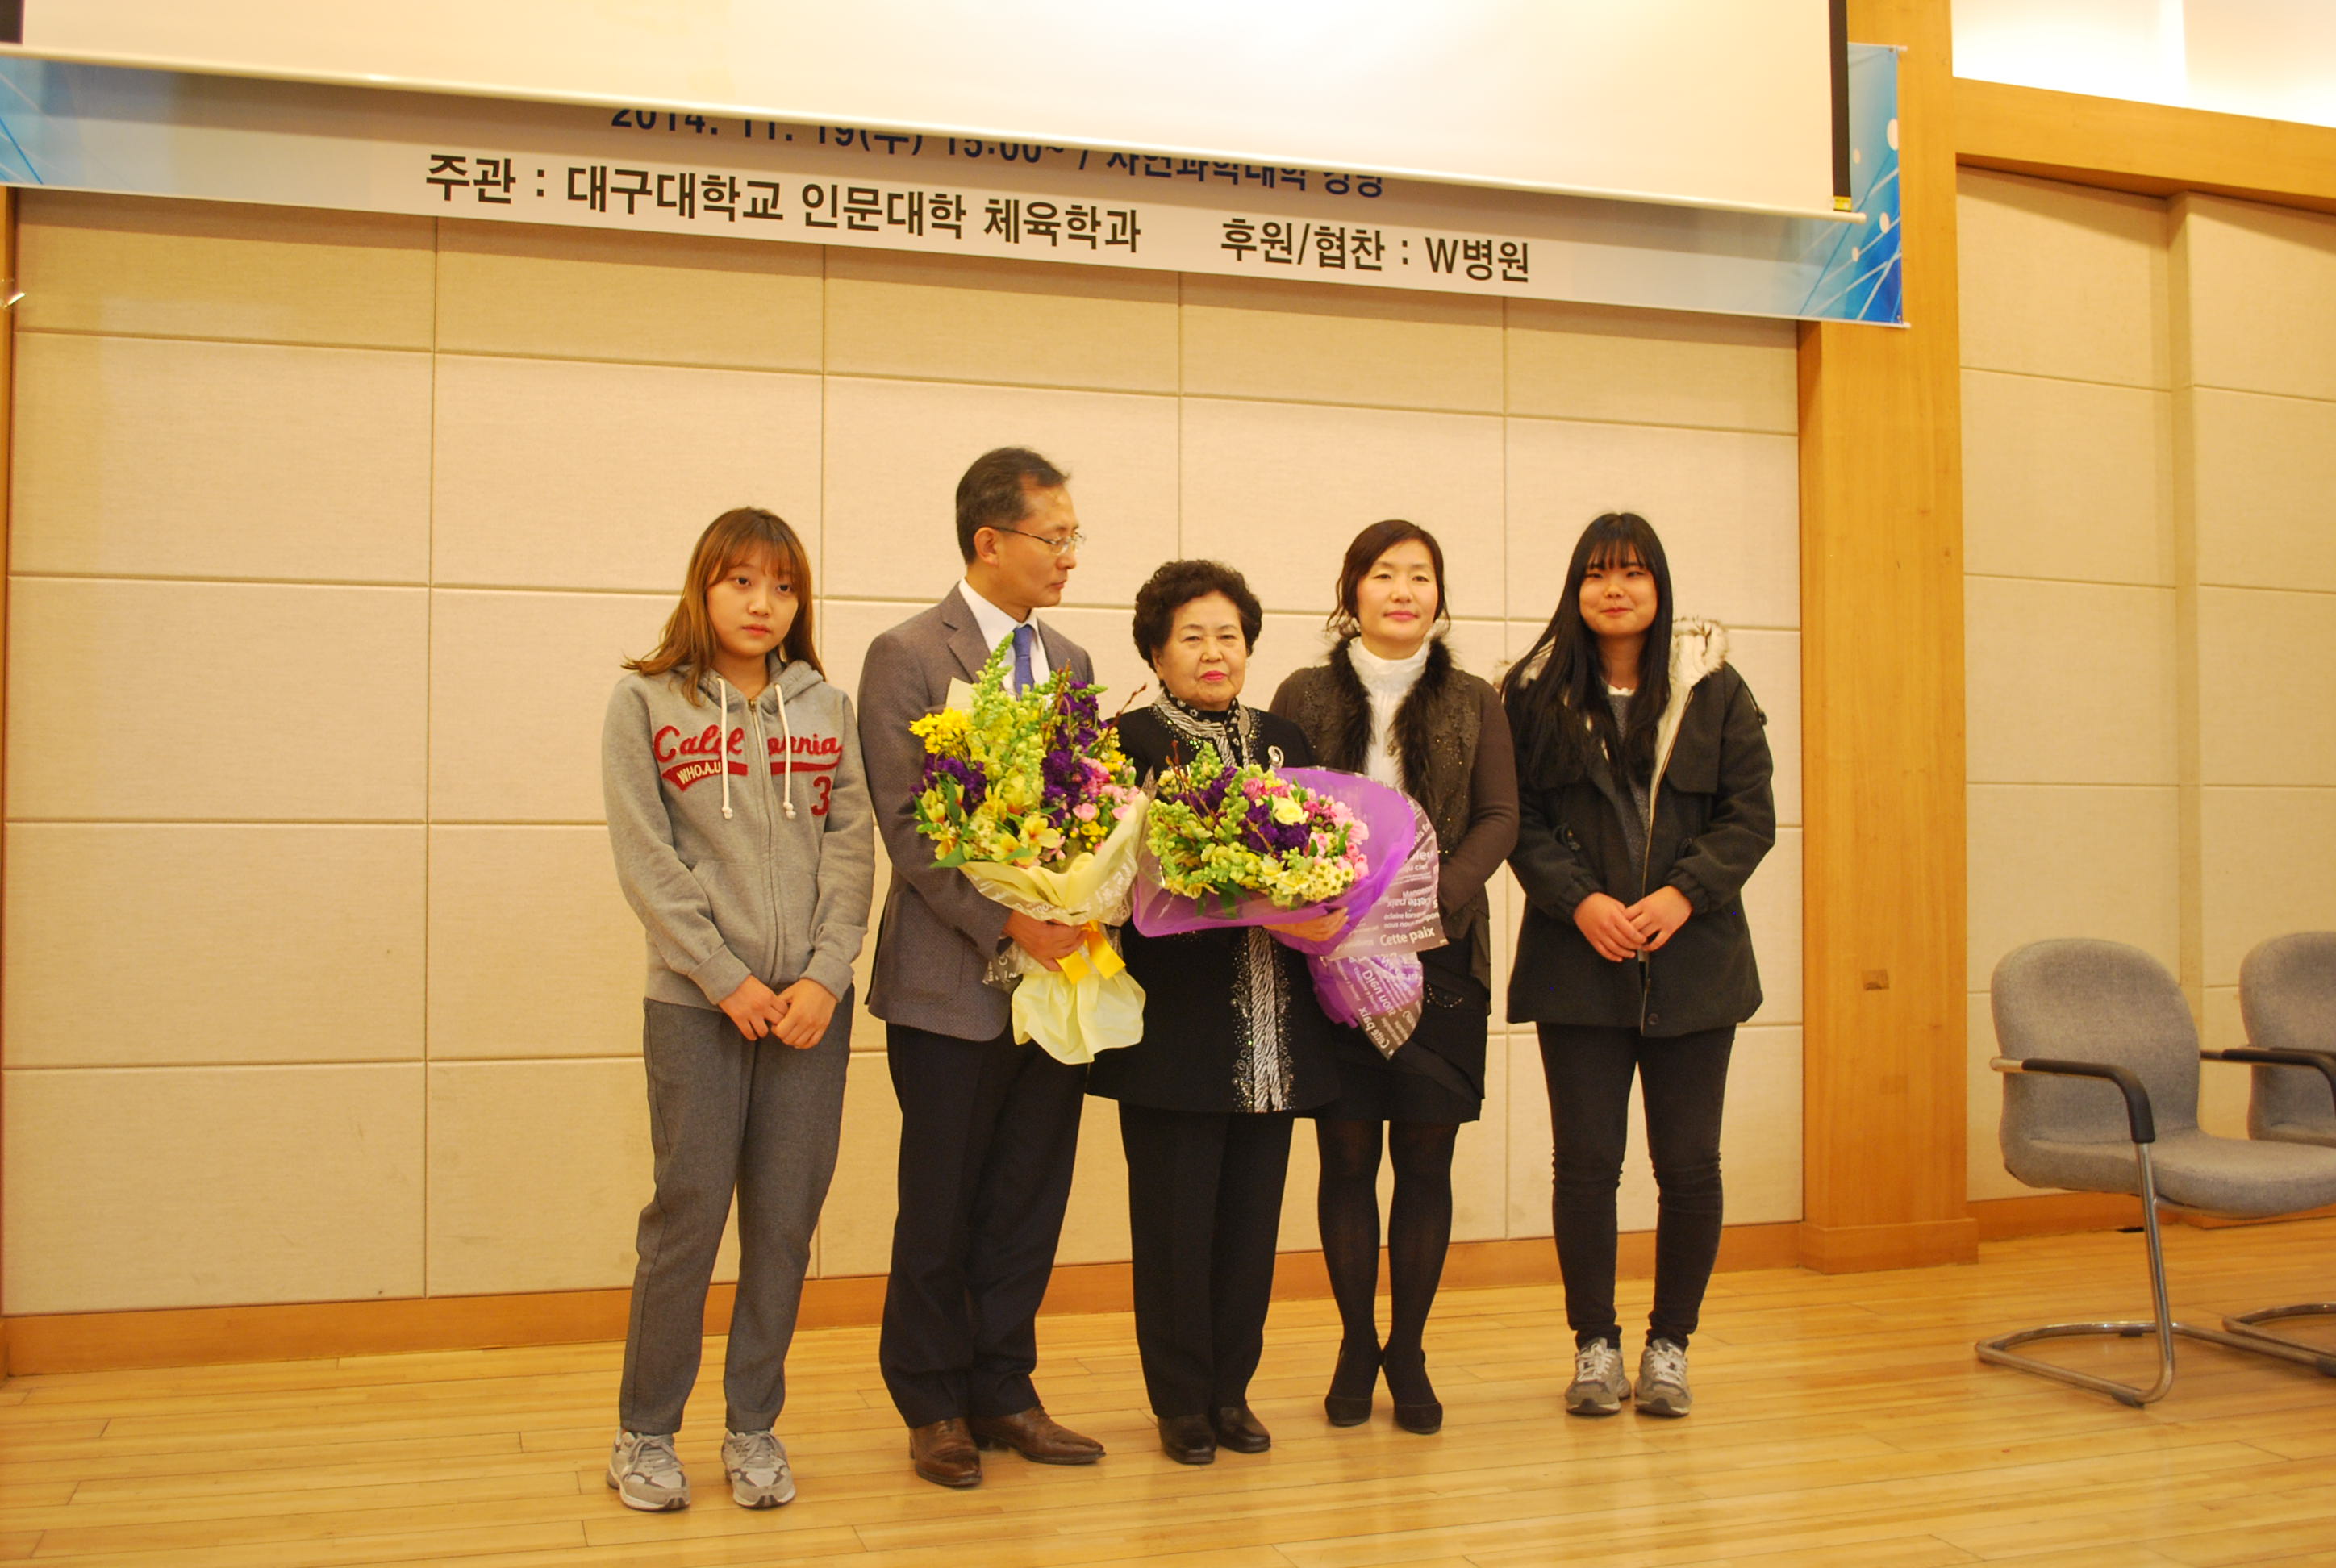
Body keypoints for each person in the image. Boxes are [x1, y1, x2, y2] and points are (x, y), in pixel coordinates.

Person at [600, 506, 873, 1512]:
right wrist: (724, 977)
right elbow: (647, 862)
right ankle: (646, 1431)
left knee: (785, 1225)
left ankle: (753, 1427)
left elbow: (852, 849)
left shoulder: (827, 708)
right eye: (742, 581)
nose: (764, 603)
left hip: (810, 1012)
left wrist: (825, 976)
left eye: (783, 586)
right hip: (695, 1006)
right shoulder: (645, 703)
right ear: (703, 587)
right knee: (687, 1217)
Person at [856, 447, 1108, 1488]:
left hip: (1059, 982)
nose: (1070, 556)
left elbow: (1091, 807)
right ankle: (932, 1402)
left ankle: (1006, 1388)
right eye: (1056, 537)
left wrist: (1083, 903)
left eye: (1075, 537)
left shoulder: (1073, 661)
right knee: (942, 1198)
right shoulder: (908, 654)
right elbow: (909, 828)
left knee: (1027, 1194)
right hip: (948, 978)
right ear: (989, 541)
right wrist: (1008, 925)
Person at [1500, 511, 1775, 1420]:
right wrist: (1579, 901)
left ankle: (1670, 1347)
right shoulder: (1533, 692)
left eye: (1632, 573)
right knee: (1585, 1165)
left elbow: (1749, 818)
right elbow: (1517, 819)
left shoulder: (1714, 688)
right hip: (1577, 963)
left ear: (1660, 587)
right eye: (1596, 573)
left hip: (1695, 967)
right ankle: (1595, 1347)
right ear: (1575, 589)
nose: (1613, 589)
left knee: (1689, 1165)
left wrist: (1683, 895)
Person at [1270, 519, 1518, 1435]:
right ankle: (1353, 1342)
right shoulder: (1302, 693)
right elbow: (1276, 812)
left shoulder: (1474, 700)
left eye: (1420, 576)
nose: (1402, 591)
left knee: (1424, 1156)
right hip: (1328, 949)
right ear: (1352, 592)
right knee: (1343, 1156)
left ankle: (1406, 1348)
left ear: (1438, 596)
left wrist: (1430, 901)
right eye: (1383, 574)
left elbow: (1499, 816)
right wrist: (1323, 902)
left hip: (1441, 953)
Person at [1092, 560, 1343, 1465]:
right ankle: (1179, 1401)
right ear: (1156, 652)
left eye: (1228, 636)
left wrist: (1320, 893)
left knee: (1249, 1223)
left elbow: (1324, 847)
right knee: (1174, 1222)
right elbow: (1102, 882)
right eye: (1192, 636)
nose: (1214, 653)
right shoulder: (1125, 744)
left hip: (1277, 1028)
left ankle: (1232, 1390)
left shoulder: (1284, 736)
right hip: (1175, 1027)